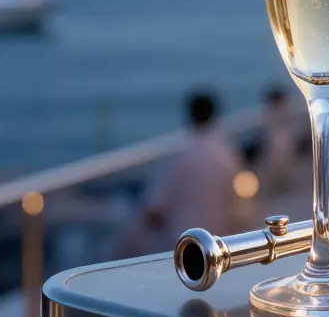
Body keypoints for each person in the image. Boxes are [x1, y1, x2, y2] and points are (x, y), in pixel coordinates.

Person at [113, 90, 246, 259]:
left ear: (190, 115)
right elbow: (238, 203)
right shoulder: (227, 155)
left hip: (181, 243)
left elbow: (154, 208)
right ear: (215, 115)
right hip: (217, 243)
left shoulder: (178, 155)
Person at [256, 85, 297, 196]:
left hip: (281, 140)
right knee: (277, 163)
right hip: (276, 141)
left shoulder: (274, 112)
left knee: (282, 162)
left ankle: (283, 184)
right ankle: (280, 185)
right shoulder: (270, 112)